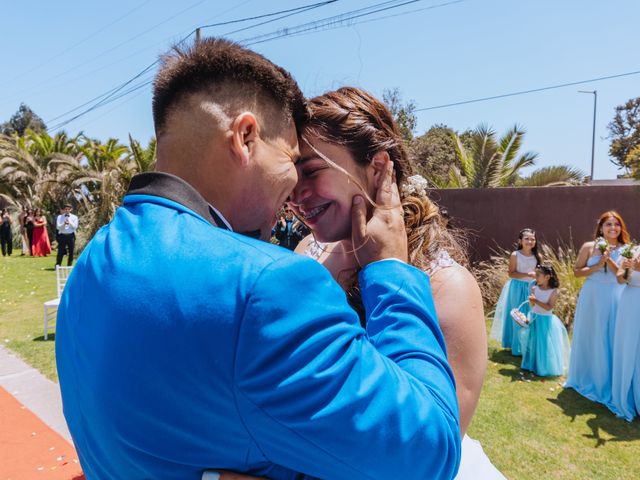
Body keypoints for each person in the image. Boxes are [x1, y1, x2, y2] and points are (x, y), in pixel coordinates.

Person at [56, 38, 461, 479]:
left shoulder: (92, 262)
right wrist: (391, 271)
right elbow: (430, 450)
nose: (293, 196)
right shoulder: (264, 288)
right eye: (291, 160)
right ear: (246, 137)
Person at [287, 87, 502, 479]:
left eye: (312, 171)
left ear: (377, 166)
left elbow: (427, 450)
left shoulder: (448, 286)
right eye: (291, 173)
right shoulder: (307, 250)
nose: (295, 194)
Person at [565, 211, 629, 406]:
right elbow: (577, 272)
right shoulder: (589, 247)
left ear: (621, 228)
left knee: (609, 337)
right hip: (592, 295)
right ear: (601, 228)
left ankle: (608, 380)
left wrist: (609, 260)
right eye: (608, 224)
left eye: (616, 224)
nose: (612, 228)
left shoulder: (627, 249)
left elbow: (623, 276)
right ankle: (585, 376)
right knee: (591, 335)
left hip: (615, 296)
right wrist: (597, 264)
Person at [490, 228, 540, 356]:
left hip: (532, 288)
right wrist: (526, 274)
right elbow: (511, 273)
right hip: (517, 287)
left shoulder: (538, 256)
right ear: (520, 241)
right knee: (518, 315)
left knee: (530, 316)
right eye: (527, 238)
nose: (530, 241)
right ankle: (516, 346)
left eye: (532, 239)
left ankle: (528, 345)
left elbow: (541, 274)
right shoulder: (515, 255)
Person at [520, 264, 570, 377]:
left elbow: (549, 307)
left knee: (543, 343)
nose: (535, 277)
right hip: (534, 317)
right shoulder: (534, 288)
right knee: (533, 341)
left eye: (538, 275)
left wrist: (536, 300)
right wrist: (531, 302)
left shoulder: (553, 292)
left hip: (546, 321)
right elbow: (532, 306)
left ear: (547, 277)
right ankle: (531, 364)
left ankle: (543, 366)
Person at [609, 245, 640, 421]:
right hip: (629, 301)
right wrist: (628, 269)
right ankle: (627, 398)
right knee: (627, 347)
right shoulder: (633, 250)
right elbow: (620, 279)